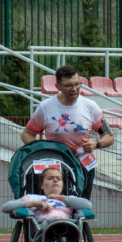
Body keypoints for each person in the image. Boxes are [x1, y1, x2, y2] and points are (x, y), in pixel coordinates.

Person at [21, 64, 114, 199]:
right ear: (58, 86)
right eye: (69, 85)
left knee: (81, 207)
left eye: (77, 84)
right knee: (56, 206)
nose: (74, 89)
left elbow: (109, 136)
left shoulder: (90, 106)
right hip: (55, 168)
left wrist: (96, 144)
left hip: (83, 166)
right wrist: (41, 149)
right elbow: (27, 134)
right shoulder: (46, 107)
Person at [1, 167, 92, 242]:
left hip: (68, 228)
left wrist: (61, 198)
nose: (55, 180)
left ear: (63, 184)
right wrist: (34, 204)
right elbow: (5, 207)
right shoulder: (34, 198)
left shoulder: (69, 199)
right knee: (47, 224)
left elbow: (88, 206)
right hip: (42, 229)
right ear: (42, 185)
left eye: (58, 178)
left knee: (76, 222)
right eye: (50, 178)